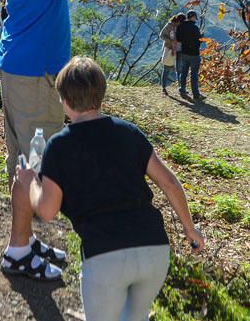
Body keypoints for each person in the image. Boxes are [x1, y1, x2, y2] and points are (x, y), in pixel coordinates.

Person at [14, 56, 204, 320]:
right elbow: (169, 183)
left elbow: (47, 211)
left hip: (104, 256)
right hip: (155, 250)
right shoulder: (129, 132)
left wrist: (30, 182)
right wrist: (190, 229)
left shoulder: (59, 145)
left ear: (66, 102)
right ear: (101, 94)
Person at [0, 0, 118, 281]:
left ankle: (25, 240)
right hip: (37, 75)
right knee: (33, 166)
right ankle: (17, 252)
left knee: (20, 159)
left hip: (14, 65)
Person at [175, 10, 205, 102]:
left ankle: (182, 89)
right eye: (195, 17)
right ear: (193, 17)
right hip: (194, 54)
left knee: (184, 72)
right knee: (194, 75)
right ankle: (196, 94)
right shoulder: (195, 27)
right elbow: (199, 40)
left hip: (184, 52)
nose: (196, 19)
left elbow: (178, 39)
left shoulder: (181, 26)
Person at [158, 13, 185, 96]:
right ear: (178, 21)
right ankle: (163, 87)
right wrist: (171, 41)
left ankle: (181, 88)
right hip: (170, 49)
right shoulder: (169, 26)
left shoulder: (182, 26)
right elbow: (161, 36)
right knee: (167, 68)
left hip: (180, 50)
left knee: (179, 69)